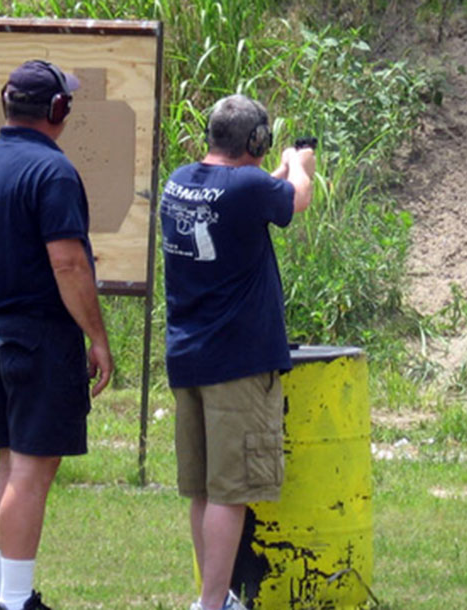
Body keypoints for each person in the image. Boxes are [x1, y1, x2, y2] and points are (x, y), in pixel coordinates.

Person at [0, 59, 113, 610]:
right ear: (56, 110)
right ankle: (17, 602)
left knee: (7, 466)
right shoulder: (53, 172)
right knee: (30, 472)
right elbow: (69, 264)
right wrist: (96, 335)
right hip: (39, 338)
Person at [160, 94, 316, 610]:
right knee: (231, 493)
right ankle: (210, 605)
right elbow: (294, 198)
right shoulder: (250, 188)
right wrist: (298, 164)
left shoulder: (180, 180)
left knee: (204, 489)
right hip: (238, 364)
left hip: (190, 356)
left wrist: (276, 170)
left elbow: (248, 193)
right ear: (257, 141)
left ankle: (217, 596)